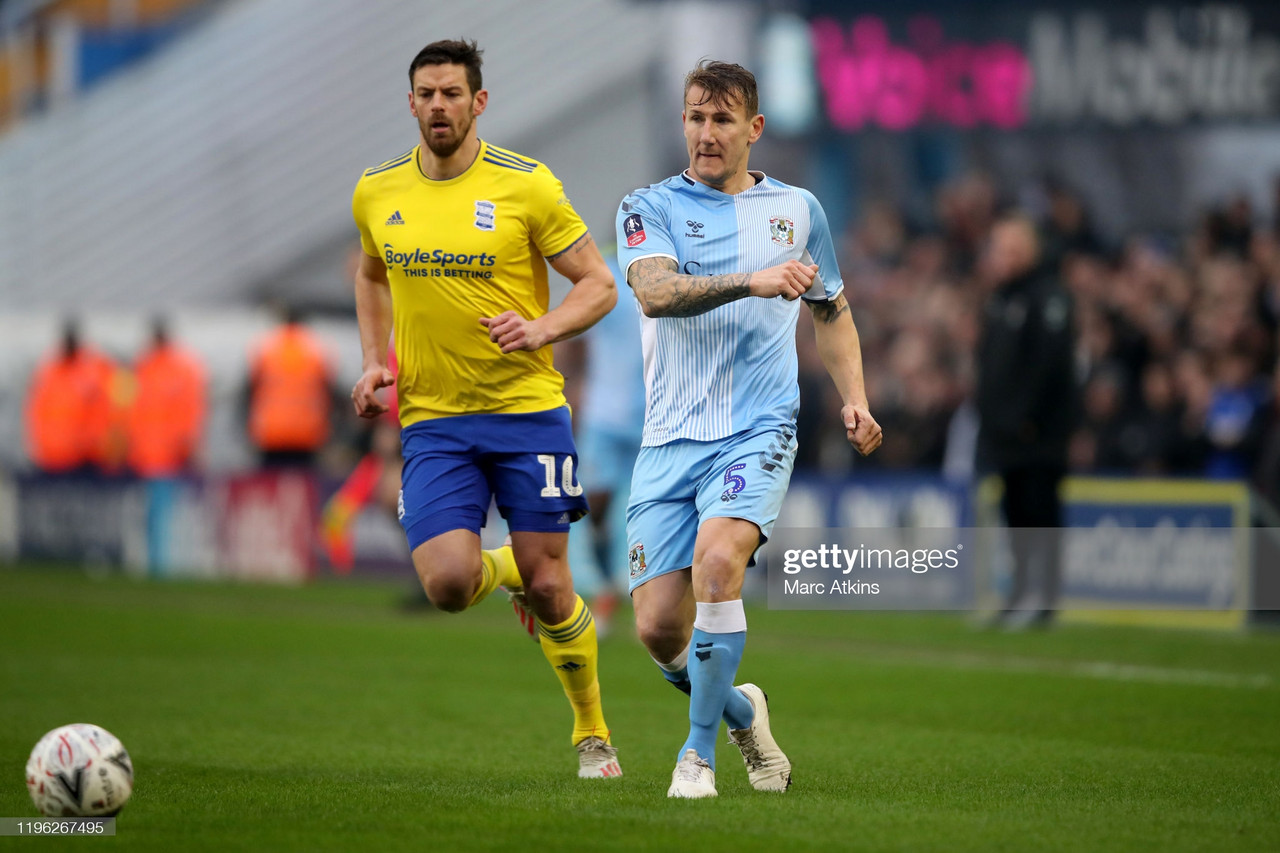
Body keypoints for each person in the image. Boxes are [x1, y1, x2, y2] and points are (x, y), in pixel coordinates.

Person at [349, 39, 621, 778]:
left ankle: (591, 730)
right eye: (426, 94)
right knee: (445, 585)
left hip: (529, 412)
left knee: (554, 583)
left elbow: (598, 284)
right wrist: (376, 359)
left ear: (479, 102)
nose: (439, 105)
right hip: (434, 420)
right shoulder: (377, 191)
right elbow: (369, 274)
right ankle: (503, 571)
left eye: (452, 93)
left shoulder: (527, 186)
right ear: (411, 102)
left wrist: (541, 328)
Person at [616, 61, 882, 798]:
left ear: (753, 129)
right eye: (696, 117)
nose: (706, 132)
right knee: (659, 631)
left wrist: (854, 397)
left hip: (757, 428)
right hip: (669, 439)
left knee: (716, 566)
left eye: (722, 119)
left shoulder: (798, 211)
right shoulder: (647, 207)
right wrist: (753, 280)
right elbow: (655, 292)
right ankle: (740, 709)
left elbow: (831, 309)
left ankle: (694, 758)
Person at [975, 215, 1077, 629]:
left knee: (1040, 513)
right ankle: (1018, 594)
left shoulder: (1049, 296)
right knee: (1014, 514)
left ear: (1022, 251)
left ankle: (1046, 600)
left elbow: (1049, 366)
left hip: (1039, 434)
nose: (993, 258)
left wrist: (1027, 418)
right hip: (1005, 435)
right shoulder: (1001, 299)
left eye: (1001, 249)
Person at [561, 251, 646, 636]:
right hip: (644, 414)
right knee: (622, 507)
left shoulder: (606, 277)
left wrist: (565, 385)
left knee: (584, 503)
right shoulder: (668, 275)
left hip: (612, 414)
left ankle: (601, 590)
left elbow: (573, 333)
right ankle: (619, 588)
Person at [25, 319, 119, 474]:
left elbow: (110, 408)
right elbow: (36, 412)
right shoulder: (48, 372)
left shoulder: (96, 369)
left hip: (86, 458)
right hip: (51, 457)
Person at [246, 306, 335, 468]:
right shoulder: (317, 349)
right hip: (307, 433)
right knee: (304, 484)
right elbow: (330, 389)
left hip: (271, 432)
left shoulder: (266, 346)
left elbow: (250, 388)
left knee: (272, 483)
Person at [126, 317, 207, 477]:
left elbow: (193, 407)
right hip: (143, 454)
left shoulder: (184, 367)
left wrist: (189, 442)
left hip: (174, 453)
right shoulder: (142, 365)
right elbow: (131, 407)